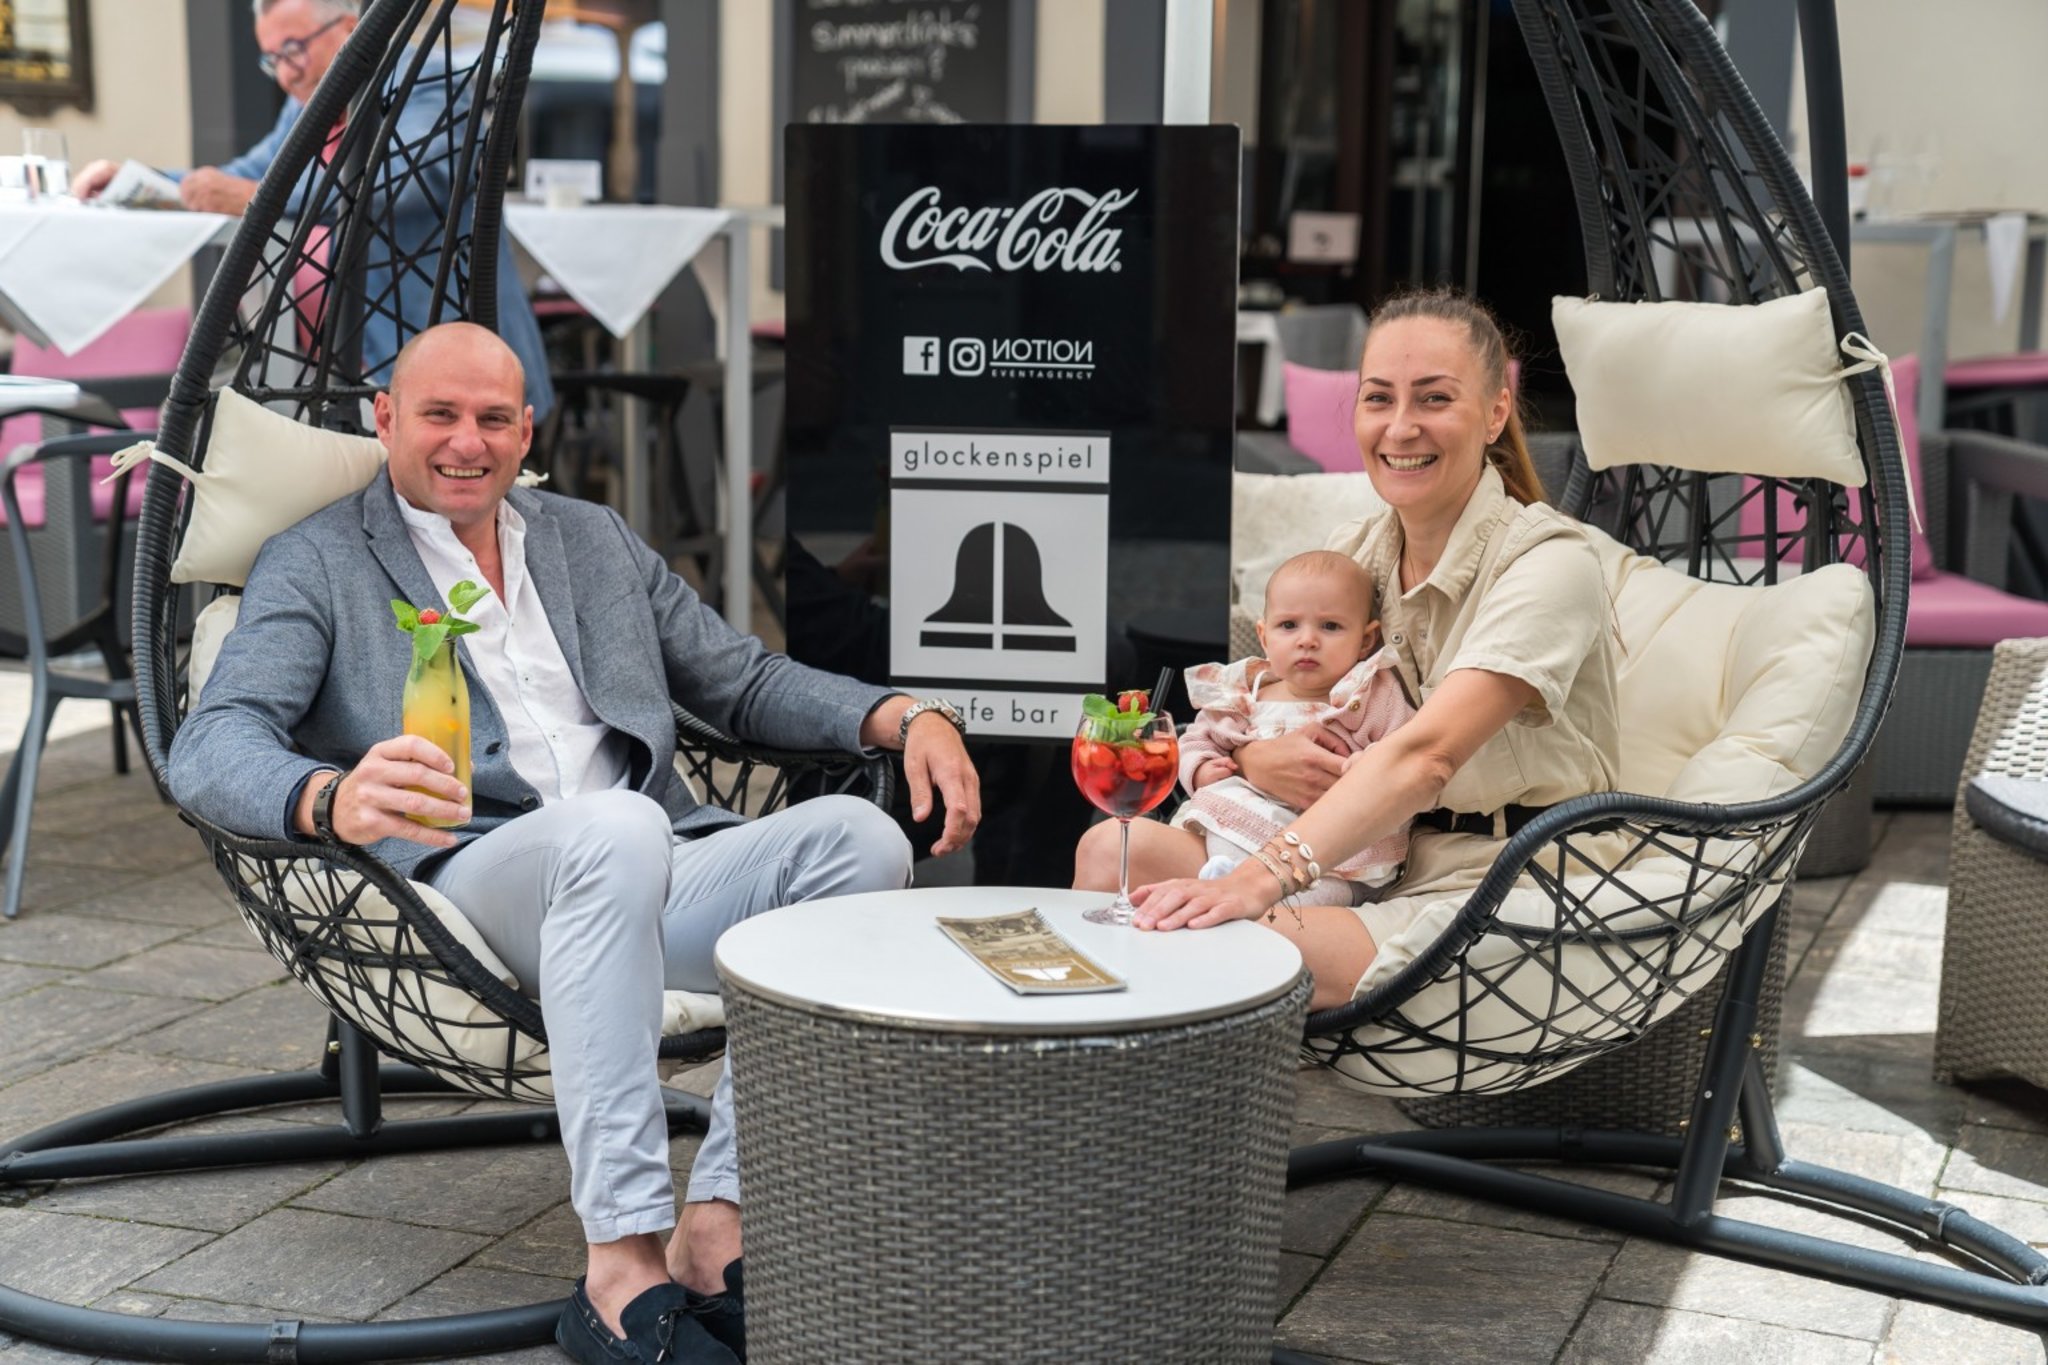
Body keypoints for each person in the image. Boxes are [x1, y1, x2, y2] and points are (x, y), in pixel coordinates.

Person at [169, 322, 980, 1365]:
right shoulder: (318, 560)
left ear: (526, 429)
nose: (468, 442)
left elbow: (739, 678)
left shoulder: (587, 537)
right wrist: (328, 797)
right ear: (384, 421)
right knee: (616, 825)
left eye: (493, 419)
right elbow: (212, 745)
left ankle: (717, 1227)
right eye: (440, 416)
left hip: (645, 865)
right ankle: (619, 1262)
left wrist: (905, 714)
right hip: (475, 887)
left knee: (858, 842)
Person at [1106, 287, 1621, 1013]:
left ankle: (1176, 1122)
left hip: (1498, 871)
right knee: (1108, 858)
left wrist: (1255, 880)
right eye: (1378, 398)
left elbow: (1427, 756)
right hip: (1365, 855)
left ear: (1496, 411)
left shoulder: (1549, 563)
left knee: (1206, 938)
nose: (1401, 427)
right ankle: (1087, 1115)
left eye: (1435, 399)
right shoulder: (1360, 553)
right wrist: (1252, 756)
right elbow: (1278, 686)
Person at [71, 0, 554, 417]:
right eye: (272, 59)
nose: (285, 73)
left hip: (457, 362)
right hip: (355, 368)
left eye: (294, 50)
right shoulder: (311, 100)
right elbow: (244, 172)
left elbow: (390, 186)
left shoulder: (429, 82)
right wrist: (141, 180)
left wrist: (253, 197)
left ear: (351, 29)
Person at [1073, 550, 1413, 908]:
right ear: (1264, 637)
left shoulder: (1370, 694)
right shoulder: (1246, 695)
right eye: (1289, 625)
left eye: (1330, 626)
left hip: (1328, 864)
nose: (1307, 639)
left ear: (1365, 640)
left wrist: (1366, 766)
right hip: (1230, 835)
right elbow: (1195, 740)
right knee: (1103, 845)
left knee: (1317, 898)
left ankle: (1229, 889)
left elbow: (1404, 752)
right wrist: (1203, 769)